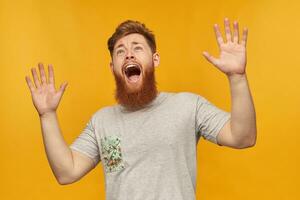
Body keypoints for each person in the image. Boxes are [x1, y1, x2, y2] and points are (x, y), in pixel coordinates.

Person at [25, 18, 257, 200]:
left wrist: (237, 78)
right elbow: (67, 172)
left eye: (137, 48)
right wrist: (47, 116)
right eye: (120, 51)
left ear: (154, 60)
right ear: (113, 66)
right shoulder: (101, 121)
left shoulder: (188, 106)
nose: (129, 54)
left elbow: (243, 137)